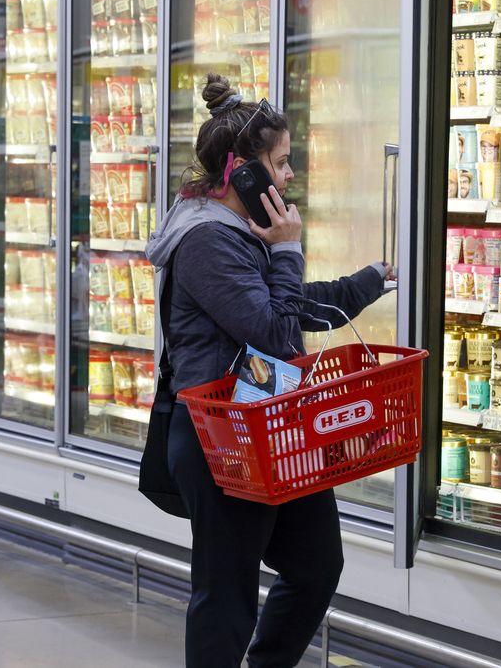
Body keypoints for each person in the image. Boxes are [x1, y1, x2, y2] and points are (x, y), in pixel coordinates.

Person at [145, 73, 394, 667]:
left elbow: (280, 309)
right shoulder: (206, 239)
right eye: (279, 165)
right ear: (243, 173)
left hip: (269, 421)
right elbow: (278, 332)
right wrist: (287, 248)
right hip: (220, 436)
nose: (288, 178)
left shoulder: (236, 231)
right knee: (226, 594)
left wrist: (367, 282)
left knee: (314, 565)